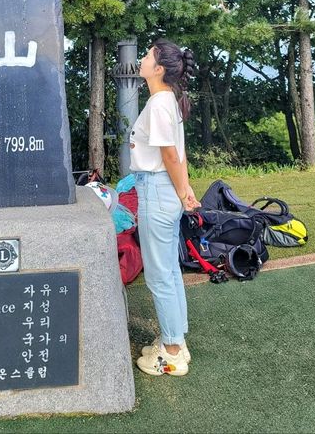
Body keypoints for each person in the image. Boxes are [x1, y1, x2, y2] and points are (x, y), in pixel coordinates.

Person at [130, 38, 200, 377]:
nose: (142, 59)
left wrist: (182, 189)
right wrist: (184, 191)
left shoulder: (160, 103)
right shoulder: (168, 100)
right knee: (169, 271)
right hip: (164, 191)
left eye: (147, 56)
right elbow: (177, 155)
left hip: (156, 192)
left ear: (158, 69)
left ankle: (171, 353)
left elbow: (170, 156)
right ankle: (176, 341)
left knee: (160, 275)